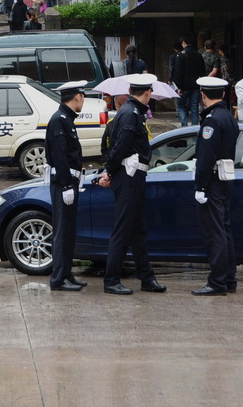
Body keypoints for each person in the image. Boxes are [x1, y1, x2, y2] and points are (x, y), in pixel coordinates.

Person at [98, 73, 167, 295]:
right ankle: (111, 280)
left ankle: (146, 278)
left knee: (138, 230)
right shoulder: (130, 113)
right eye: (151, 93)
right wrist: (109, 170)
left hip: (134, 177)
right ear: (147, 93)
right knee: (122, 230)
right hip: (128, 177)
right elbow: (120, 146)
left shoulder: (134, 111)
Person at [192, 77, 240, 296]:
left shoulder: (211, 120)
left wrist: (200, 187)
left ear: (203, 96)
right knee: (225, 229)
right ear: (222, 95)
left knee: (215, 232)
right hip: (225, 178)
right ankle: (228, 278)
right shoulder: (228, 117)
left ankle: (217, 282)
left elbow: (205, 157)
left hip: (212, 180)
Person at [46, 80, 90, 292]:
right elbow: (59, 155)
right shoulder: (59, 120)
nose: (83, 101)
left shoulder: (66, 119)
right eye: (83, 96)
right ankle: (58, 278)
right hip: (63, 182)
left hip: (70, 181)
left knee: (69, 230)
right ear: (77, 97)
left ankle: (66, 273)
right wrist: (65, 186)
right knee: (62, 231)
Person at [172, 35, 207, 126]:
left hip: (183, 87)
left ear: (184, 43)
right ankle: (194, 128)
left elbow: (178, 72)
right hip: (196, 86)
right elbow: (203, 72)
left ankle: (184, 126)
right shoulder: (198, 55)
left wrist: (178, 86)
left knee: (181, 106)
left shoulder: (180, 55)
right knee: (194, 108)